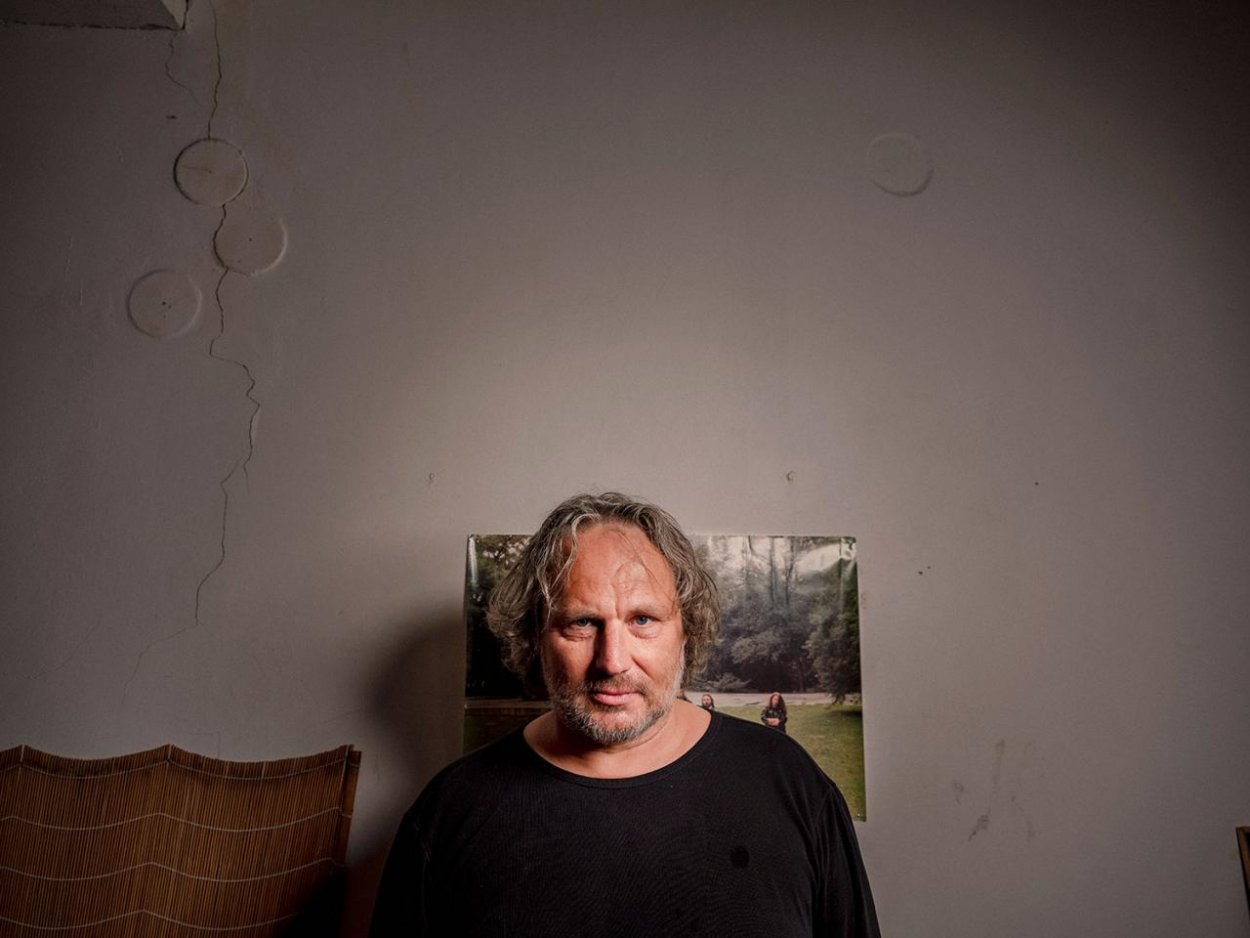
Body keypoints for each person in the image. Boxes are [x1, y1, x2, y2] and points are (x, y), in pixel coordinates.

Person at [371, 492, 879, 937]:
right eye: (581, 622)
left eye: (642, 619)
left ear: (686, 630)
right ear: (535, 637)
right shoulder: (450, 810)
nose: (613, 661)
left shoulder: (789, 780)